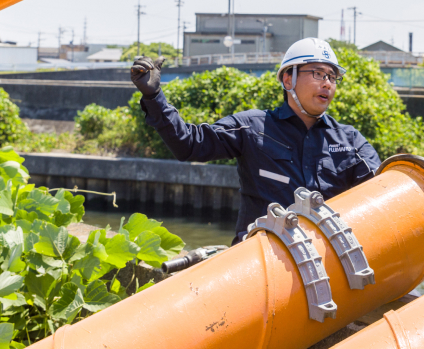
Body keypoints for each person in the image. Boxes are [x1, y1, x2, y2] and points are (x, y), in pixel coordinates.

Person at [130, 37, 381, 243]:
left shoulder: (351, 142)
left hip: (324, 265)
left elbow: (382, 193)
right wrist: (154, 97)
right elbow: (190, 144)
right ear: (288, 79)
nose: (327, 83)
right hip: (257, 263)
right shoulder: (252, 128)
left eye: (332, 76)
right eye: (317, 73)